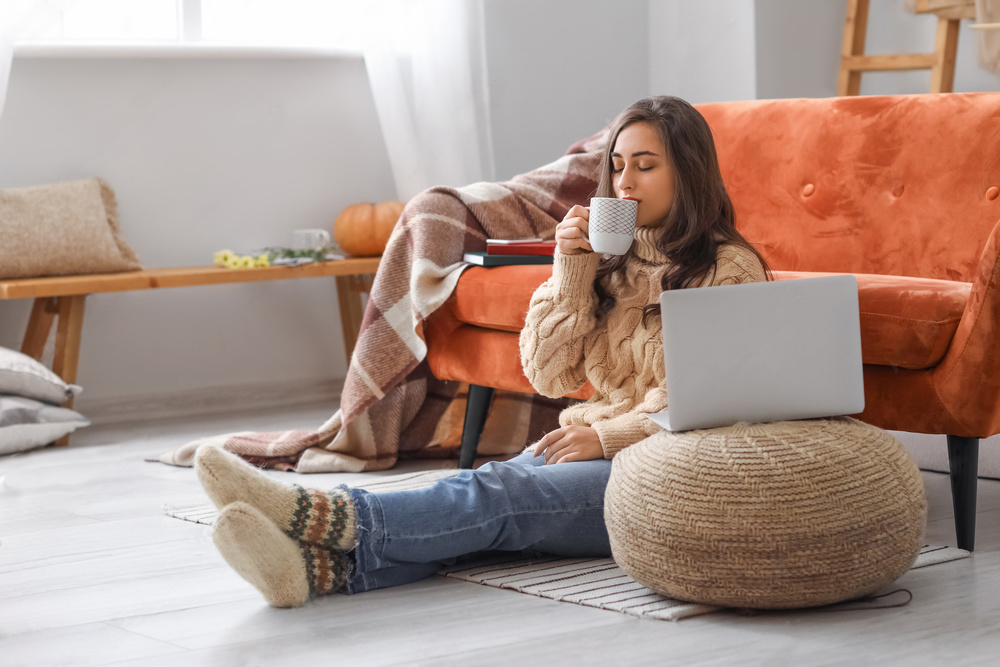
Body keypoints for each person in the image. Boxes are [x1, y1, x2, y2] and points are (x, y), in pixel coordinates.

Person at [194, 95, 771, 608]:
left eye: (645, 167)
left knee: (498, 496)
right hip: (596, 450)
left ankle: (316, 513)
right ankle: (318, 572)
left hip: (667, 473)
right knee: (483, 513)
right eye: (617, 166)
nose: (624, 183)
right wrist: (571, 271)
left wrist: (607, 437)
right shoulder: (608, 261)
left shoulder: (728, 272)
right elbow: (547, 375)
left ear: (689, 174)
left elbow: (714, 404)